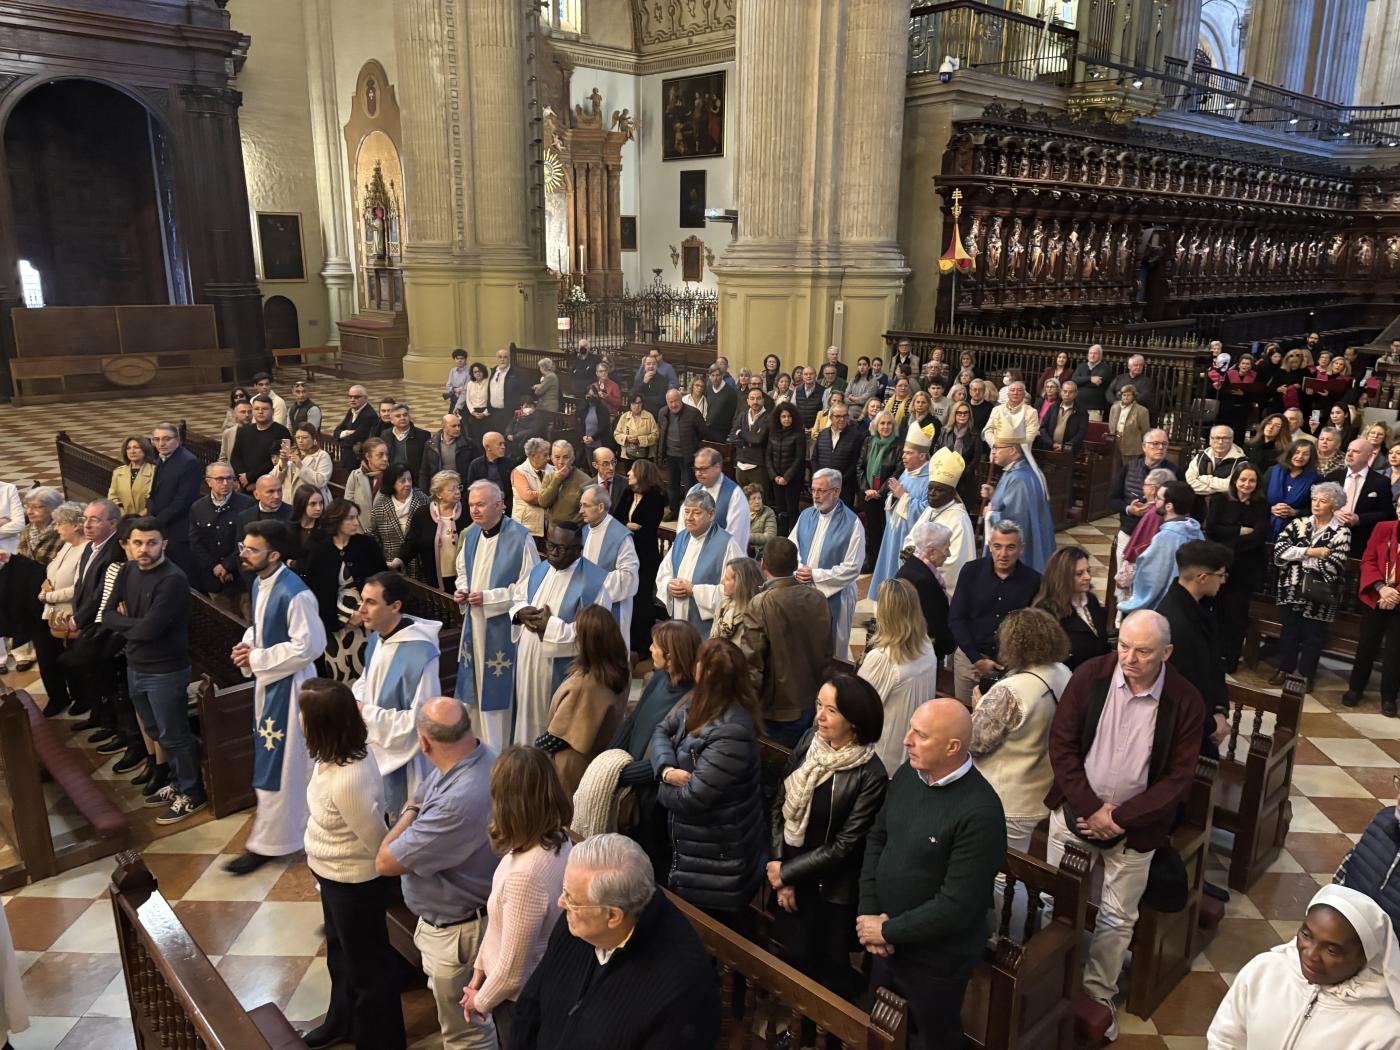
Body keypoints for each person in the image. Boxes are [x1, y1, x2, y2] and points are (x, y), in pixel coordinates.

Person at [1044, 610, 1206, 1041]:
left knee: (1117, 918)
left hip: (1138, 830)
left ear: (1166, 653)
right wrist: (1090, 807)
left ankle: (1097, 995)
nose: (1129, 658)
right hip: (1075, 815)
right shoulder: (1090, 676)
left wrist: (1118, 818)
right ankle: (1052, 982)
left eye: (1143, 651)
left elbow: (1178, 779)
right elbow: (1061, 746)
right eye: (1124, 646)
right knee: (1056, 900)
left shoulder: (1185, 700)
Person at [857, 699, 1005, 1050]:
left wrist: (887, 930)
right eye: (911, 729)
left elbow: (958, 905)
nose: (906, 739)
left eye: (920, 735)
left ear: (952, 747)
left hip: (935, 959)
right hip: (884, 940)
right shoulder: (909, 774)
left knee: (931, 1039)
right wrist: (869, 913)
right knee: (881, 1031)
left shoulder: (980, 811)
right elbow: (878, 838)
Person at [508, 833, 719, 1050]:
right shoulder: (578, 921)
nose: (561, 903)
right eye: (565, 891)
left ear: (612, 916)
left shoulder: (683, 991)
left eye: (572, 899)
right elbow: (530, 1007)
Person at [376, 697, 500, 1050]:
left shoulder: (458, 801)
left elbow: (385, 861)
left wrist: (410, 812)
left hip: (459, 933)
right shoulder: (480, 755)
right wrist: (416, 809)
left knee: (468, 1034)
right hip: (459, 920)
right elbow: (421, 794)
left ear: (424, 743)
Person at [767, 675, 887, 1030]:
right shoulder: (810, 741)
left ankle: (821, 1035)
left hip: (830, 891)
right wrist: (780, 866)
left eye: (831, 710)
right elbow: (780, 805)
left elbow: (845, 846)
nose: (819, 715)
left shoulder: (870, 774)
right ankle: (795, 1028)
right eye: (819, 705)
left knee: (827, 972)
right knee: (793, 957)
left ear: (855, 720)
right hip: (790, 874)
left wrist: (786, 873)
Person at [297, 678, 406, 1050]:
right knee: (340, 957)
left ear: (322, 721)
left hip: (355, 884)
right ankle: (341, 1022)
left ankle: (381, 1042)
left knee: (368, 971)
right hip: (332, 876)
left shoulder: (349, 779)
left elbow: (377, 842)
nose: (298, 719)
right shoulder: (330, 756)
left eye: (303, 712)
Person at [227, 520, 327, 875]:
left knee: (285, 767)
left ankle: (273, 842)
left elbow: (310, 645)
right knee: (279, 764)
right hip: (271, 684)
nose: (243, 554)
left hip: (292, 688)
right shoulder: (260, 582)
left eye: (252, 549)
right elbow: (261, 627)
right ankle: (286, 834)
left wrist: (256, 658)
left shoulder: (295, 593)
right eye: (243, 547)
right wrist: (248, 646)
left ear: (275, 555)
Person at [651, 637, 766, 929]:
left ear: (704, 672)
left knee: (714, 936)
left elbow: (692, 798)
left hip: (717, 864)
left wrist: (659, 788)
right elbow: (661, 730)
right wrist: (665, 770)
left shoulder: (732, 731)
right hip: (695, 851)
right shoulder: (699, 702)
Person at [1206, 884, 1400, 1050]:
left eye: (1332, 950)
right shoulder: (1264, 970)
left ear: (1365, 958)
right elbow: (1224, 1038)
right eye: (1306, 935)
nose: (1311, 954)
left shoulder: (1384, 1031)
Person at [101, 517, 205, 823]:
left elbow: (150, 629)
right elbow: (107, 614)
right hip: (136, 664)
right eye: (138, 543)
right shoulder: (127, 570)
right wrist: (137, 626)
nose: (144, 549)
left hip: (166, 669)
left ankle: (192, 792)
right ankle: (176, 782)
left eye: (151, 543)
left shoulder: (172, 579)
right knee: (156, 730)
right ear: (129, 545)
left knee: (174, 734)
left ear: (164, 544)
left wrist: (130, 625)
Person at [969, 608, 1072, 851]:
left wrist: (978, 707)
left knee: (1001, 868)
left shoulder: (1010, 691)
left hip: (1008, 799)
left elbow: (974, 743)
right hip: (1042, 788)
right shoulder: (1063, 672)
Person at [452, 480, 539, 751]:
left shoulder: (520, 538)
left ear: (500, 505)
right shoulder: (471, 535)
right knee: (473, 693)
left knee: (496, 696)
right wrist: (462, 590)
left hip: (502, 629)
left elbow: (530, 587)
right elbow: (462, 571)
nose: (474, 511)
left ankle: (498, 752)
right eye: (471, 505)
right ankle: (474, 748)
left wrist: (489, 598)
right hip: (473, 626)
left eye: (480, 504)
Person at [349, 571, 442, 817]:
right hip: (375, 744)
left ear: (395, 606)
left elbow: (421, 722)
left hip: (409, 761)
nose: (361, 609)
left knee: (406, 821)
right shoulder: (377, 639)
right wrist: (357, 700)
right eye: (362, 600)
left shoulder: (420, 654)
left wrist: (364, 712)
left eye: (370, 602)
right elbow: (366, 681)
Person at [508, 522, 610, 747]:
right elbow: (518, 597)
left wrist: (550, 627)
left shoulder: (594, 584)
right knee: (526, 718)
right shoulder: (539, 570)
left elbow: (594, 633)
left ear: (578, 549)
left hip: (559, 668)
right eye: (550, 545)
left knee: (549, 721)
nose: (553, 552)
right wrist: (520, 613)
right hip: (527, 662)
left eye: (561, 548)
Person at [738, 537, 831, 747]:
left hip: (776, 710)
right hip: (812, 699)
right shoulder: (818, 598)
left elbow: (752, 664)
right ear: (796, 565)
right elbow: (826, 651)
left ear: (763, 565)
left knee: (773, 763)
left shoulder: (760, 603)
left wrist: (744, 709)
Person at [535, 606, 629, 795]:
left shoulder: (586, 685)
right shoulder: (620, 668)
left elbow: (555, 739)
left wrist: (532, 748)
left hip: (572, 768)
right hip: (597, 759)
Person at [948, 520, 1042, 704]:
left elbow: (1033, 630)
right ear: (989, 545)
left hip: (1010, 665)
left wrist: (1010, 663)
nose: (1003, 554)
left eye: (1010, 547)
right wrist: (976, 659)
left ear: (1021, 549)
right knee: (964, 713)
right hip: (969, 659)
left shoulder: (1034, 581)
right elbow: (956, 618)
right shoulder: (970, 571)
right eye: (997, 546)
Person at [1154, 540, 1234, 757]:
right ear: (1202, 577)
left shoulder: (1200, 605)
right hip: (1187, 728)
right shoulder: (1175, 623)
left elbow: (1214, 665)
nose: (1223, 581)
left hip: (1206, 714)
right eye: (1221, 575)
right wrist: (1211, 723)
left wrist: (1220, 709)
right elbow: (1184, 686)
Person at [1270, 482, 1351, 690]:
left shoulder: (1342, 532)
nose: (1316, 504)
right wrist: (1311, 552)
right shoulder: (1298, 523)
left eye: (1323, 501)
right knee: (1289, 631)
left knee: (1313, 636)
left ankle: (1306, 675)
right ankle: (1284, 668)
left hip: (1321, 591)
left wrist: (1297, 556)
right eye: (1314, 499)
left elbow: (1333, 565)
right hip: (1292, 586)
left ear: (1334, 506)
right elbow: (1279, 551)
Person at [859, 577, 942, 774]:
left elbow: (858, 710)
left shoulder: (883, 658)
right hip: (911, 753)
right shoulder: (925, 644)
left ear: (885, 613)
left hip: (881, 758)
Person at [303, 498, 387, 680]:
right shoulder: (320, 550)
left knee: (369, 672)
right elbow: (315, 591)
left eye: (356, 517)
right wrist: (342, 619)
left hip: (367, 618)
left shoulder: (367, 544)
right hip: (333, 622)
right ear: (336, 520)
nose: (356, 522)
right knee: (340, 674)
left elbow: (383, 581)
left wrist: (363, 612)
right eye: (350, 518)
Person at [790, 467, 864, 660]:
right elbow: (792, 547)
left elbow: (852, 567)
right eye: (813, 490)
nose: (815, 496)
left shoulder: (852, 523)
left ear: (836, 491)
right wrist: (799, 569)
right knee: (804, 645)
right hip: (804, 590)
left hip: (836, 596)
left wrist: (815, 575)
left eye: (821, 491)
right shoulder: (806, 515)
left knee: (832, 650)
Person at [1206, 462, 1272, 670]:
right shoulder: (1219, 499)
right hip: (1219, 565)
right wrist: (1239, 531)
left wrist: (1228, 536)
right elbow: (1211, 529)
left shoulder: (1262, 505)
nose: (1247, 484)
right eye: (1243, 479)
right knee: (1215, 611)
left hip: (1246, 568)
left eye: (1252, 481)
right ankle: (1213, 654)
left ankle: (1231, 657)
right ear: (1235, 481)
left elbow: (1258, 537)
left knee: (1236, 614)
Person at [656, 490, 744, 637]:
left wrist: (694, 591)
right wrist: (669, 586)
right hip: (679, 624)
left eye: (696, 513)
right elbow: (665, 571)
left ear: (712, 514)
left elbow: (737, 589)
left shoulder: (727, 544)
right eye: (686, 512)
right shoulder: (681, 537)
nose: (689, 518)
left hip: (707, 631)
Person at [1345, 492, 1400, 716]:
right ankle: (1355, 689)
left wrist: (1395, 594)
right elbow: (1368, 560)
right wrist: (1381, 588)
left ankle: (1389, 697)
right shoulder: (1383, 528)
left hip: (1398, 600)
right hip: (1376, 595)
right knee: (1366, 645)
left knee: (1395, 652)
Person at [32, 502, 87, 715]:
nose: (56, 528)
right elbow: (51, 576)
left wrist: (48, 596)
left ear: (75, 525)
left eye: (60, 523)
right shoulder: (66, 545)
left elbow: (79, 587)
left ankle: (83, 698)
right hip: (54, 613)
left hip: (70, 614)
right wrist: (45, 590)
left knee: (74, 662)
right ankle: (65, 697)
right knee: (53, 659)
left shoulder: (85, 549)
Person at [1121, 480, 1206, 613]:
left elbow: (1152, 578)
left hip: (1163, 608)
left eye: (1159, 498)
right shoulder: (1195, 531)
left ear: (1169, 506)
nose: (1155, 501)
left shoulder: (1165, 538)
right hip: (1186, 606)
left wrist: (1132, 604)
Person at [870, 422, 934, 590]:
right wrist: (893, 496)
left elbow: (927, 512)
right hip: (893, 533)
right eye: (904, 452)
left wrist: (903, 496)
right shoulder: (905, 473)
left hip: (908, 538)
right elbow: (893, 499)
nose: (903, 457)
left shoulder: (930, 479)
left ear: (922, 456)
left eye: (909, 453)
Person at [980, 436, 1057, 573]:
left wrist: (990, 514)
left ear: (1013, 451)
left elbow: (1015, 520)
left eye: (997, 448)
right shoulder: (1017, 471)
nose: (993, 452)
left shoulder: (1019, 478)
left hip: (1018, 553)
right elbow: (1011, 501)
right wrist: (994, 494)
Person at [1109, 427, 1179, 565]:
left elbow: (1181, 504)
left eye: (1164, 444)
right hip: (1130, 531)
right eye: (1155, 443)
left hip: (1159, 535)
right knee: (1124, 575)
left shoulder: (1174, 471)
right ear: (1144, 446)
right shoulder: (1130, 467)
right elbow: (1113, 500)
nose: (1160, 447)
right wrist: (1130, 509)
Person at [1034, 546, 1110, 670]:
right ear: (1061, 576)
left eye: (1088, 571)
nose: (1088, 577)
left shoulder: (1091, 600)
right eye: (1079, 574)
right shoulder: (1046, 612)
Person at [146, 422, 202, 575]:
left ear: (177, 440)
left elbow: (183, 500)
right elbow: (154, 491)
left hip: (178, 529)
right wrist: (150, 512)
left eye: (166, 439)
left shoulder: (188, 462)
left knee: (180, 572)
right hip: (162, 525)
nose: (161, 444)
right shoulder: (161, 458)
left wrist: (157, 520)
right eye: (157, 439)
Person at [1327, 436, 1397, 555]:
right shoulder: (1333, 476)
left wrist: (1360, 519)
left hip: (1360, 540)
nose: (1349, 454)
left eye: (1356, 451)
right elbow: (1318, 503)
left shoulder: (1381, 482)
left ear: (1369, 456)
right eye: (1348, 450)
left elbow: (1388, 514)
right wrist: (1333, 512)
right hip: (1330, 535)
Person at [403, 470, 467, 590]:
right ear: (439, 494)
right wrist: (398, 561)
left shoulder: (467, 512)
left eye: (458, 487)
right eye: (452, 489)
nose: (458, 491)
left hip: (464, 578)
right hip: (434, 577)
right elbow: (411, 543)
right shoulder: (423, 514)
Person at [689, 446, 750, 553]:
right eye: (696, 469)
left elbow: (735, 540)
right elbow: (683, 530)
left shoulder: (735, 495)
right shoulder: (693, 491)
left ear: (717, 467)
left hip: (722, 557)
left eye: (703, 469)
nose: (698, 473)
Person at [657, 388, 705, 518]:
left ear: (681, 399)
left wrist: (692, 447)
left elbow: (702, 433)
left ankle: (689, 514)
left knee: (689, 487)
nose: (674, 404)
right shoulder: (662, 412)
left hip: (688, 457)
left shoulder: (693, 413)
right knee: (672, 485)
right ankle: (674, 511)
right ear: (667, 402)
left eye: (676, 401)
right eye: (670, 402)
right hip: (670, 455)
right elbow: (661, 434)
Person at [371, 465, 428, 573]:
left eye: (410, 480)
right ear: (392, 482)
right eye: (402, 481)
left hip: (420, 564)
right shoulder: (380, 505)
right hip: (392, 565)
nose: (407, 484)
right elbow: (373, 534)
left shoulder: (423, 500)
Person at [232, 395, 294, 489]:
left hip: (271, 484)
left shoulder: (281, 432)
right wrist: (242, 478)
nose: (260, 412)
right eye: (257, 409)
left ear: (272, 411)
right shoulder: (245, 431)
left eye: (265, 409)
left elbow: (278, 461)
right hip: (245, 484)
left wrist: (250, 477)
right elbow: (235, 457)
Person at [765, 403, 806, 535]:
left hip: (792, 480)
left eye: (789, 416)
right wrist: (774, 476)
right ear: (778, 418)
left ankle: (794, 537)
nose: (787, 419)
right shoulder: (773, 433)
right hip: (776, 479)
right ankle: (781, 536)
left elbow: (799, 459)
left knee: (792, 509)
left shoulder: (799, 434)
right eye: (783, 416)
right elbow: (768, 457)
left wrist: (786, 478)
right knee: (780, 509)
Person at [1186, 424, 1247, 507]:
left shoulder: (1241, 462)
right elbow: (1190, 483)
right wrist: (1219, 489)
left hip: (1226, 508)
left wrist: (1204, 479)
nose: (1220, 442)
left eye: (1225, 438)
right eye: (1217, 438)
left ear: (1232, 440)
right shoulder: (1200, 457)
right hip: (1198, 507)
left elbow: (1232, 486)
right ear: (1210, 440)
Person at [710, 555, 764, 649]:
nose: (722, 582)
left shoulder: (756, 613)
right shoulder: (723, 606)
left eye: (727, 579)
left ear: (740, 583)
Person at [538, 439, 587, 528]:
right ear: (552, 459)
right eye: (557, 457)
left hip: (574, 531)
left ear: (572, 459)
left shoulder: (585, 481)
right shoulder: (549, 476)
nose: (561, 462)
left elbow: (587, 511)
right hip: (552, 530)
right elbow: (543, 502)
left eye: (565, 457)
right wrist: (557, 480)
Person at [510, 437, 551, 538]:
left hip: (547, 526)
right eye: (545, 455)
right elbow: (528, 497)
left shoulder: (552, 469)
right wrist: (552, 494)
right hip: (525, 527)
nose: (548, 458)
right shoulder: (519, 472)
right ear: (533, 456)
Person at [421, 412, 476, 485]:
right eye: (454, 426)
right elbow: (424, 470)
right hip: (440, 485)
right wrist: (424, 489)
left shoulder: (468, 444)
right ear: (444, 426)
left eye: (459, 426)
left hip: (461, 485)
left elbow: (475, 468)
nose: (457, 429)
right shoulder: (431, 445)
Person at [1036, 380, 1089, 456]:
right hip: (1049, 448)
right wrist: (1051, 444)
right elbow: (1043, 427)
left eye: (1070, 392)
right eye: (1065, 391)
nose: (1067, 394)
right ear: (1061, 392)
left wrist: (1064, 446)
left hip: (1069, 451)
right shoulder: (1053, 407)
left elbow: (1081, 433)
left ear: (1075, 394)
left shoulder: (1081, 411)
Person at [465, 431, 514, 511]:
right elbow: (471, 490)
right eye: (500, 444)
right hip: (484, 508)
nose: (503, 447)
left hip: (508, 507)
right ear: (488, 447)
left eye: (503, 444)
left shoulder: (510, 464)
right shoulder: (475, 465)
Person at [580, 362, 622, 457]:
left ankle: (608, 451)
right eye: (601, 371)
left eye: (605, 371)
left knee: (605, 427)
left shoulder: (614, 385)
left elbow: (618, 403)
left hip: (610, 415)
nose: (603, 373)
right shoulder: (593, 385)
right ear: (597, 373)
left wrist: (607, 397)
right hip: (594, 412)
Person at [107, 435, 155, 516]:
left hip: (147, 519)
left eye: (136, 447)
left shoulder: (155, 471)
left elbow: (155, 500)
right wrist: (124, 516)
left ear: (145, 450)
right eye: (128, 448)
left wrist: (138, 518)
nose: (132, 451)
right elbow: (113, 497)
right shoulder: (118, 472)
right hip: (123, 519)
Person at [344, 437, 389, 519]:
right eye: (380, 455)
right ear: (368, 456)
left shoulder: (392, 475)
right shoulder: (355, 475)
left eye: (386, 454)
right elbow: (348, 503)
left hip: (384, 525)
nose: (385, 459)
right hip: (359, 524)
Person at [488, 346, 531, 432]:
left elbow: (526, 392)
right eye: (500, 357)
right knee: (496, 435)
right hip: (494, 412)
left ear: (509, 359)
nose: (502, 359)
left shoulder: (517, 373)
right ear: (496, 359)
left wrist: (521, 407)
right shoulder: (494, 371)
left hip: (509, 413)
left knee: (507, 435)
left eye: (505, 357)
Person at [335, 385, 378, 470]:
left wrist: (340, 438)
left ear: (365, 398)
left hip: (358, 461)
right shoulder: (351, 411)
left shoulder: (369, 415)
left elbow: (354, 439)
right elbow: (336, 431)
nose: (352, 399)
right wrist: (346, 432)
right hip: (347, 457)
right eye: (350, 397)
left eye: (356, 397)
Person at [613, 392, 659, 470]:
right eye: (634, 403)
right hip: (628, 456)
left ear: (642, 404)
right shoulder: (624, 417)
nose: (637, 405)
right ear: (630, 404)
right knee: (630, 476)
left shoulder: (649, 416)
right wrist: (626, 438)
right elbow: (616, 434)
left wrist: (640, 440)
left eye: (639, 403)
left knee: (645, 476)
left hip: (646, 456)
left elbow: (656, 435)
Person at [1108, 383, 1151, 458]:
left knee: (1130, 465)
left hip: (1132, 447)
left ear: (1134, 396)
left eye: (1129, 395)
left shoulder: (1142, 411)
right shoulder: (1114, 407)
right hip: (1115, 443)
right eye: (1124, 395)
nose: (1126, 397)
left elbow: (1145, 430)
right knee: (1115, 465)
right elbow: (1111, 424)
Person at [1071, 343, 1113, 420]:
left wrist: (1081, 382)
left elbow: (1095, 384)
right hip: (1078, 406)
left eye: (1095, 353)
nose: (1092, 355)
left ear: (1100, 356)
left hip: (1095, 409)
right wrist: (1090, 379)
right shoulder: (1081, 366)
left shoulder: (1106, 368)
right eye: (1090, 353)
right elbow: (1074, 380)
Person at [744, 483, 777, 555]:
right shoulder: (740, 512)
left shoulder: (768, 512)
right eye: (753, 498)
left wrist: (746, 536)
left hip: (759, 552)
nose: (757, 501)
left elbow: (770, 537)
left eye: (759, 498)